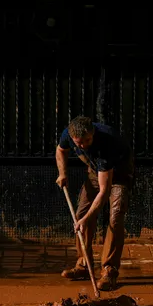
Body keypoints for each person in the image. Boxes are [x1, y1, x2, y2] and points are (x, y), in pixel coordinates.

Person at [54, 116, 135, 291]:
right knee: (80, 216)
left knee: (115, 217)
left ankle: (109, 271)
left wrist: (86, 220)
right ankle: (84, 265)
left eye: (87, 141)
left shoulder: (106, 144)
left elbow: (104, 191)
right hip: (95, 171)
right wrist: (62, 173)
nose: (83, 145)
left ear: (93, 134)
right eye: (79, 143)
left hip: (119, 173)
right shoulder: (68, 134)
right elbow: (61, 150)